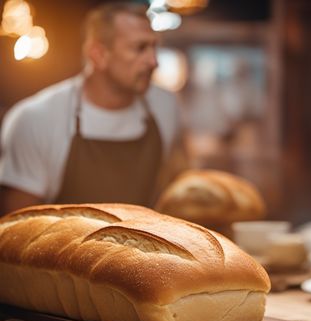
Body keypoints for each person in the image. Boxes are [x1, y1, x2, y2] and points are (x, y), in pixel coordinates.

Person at [0, 2, 187, 216]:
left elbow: (178, 187)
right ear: (98, 54)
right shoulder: (36, 119)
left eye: (155, 47)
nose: (154, 62)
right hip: (61, 250)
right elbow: (20, 230)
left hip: (145, 246)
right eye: (140, 48)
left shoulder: (165, 107)